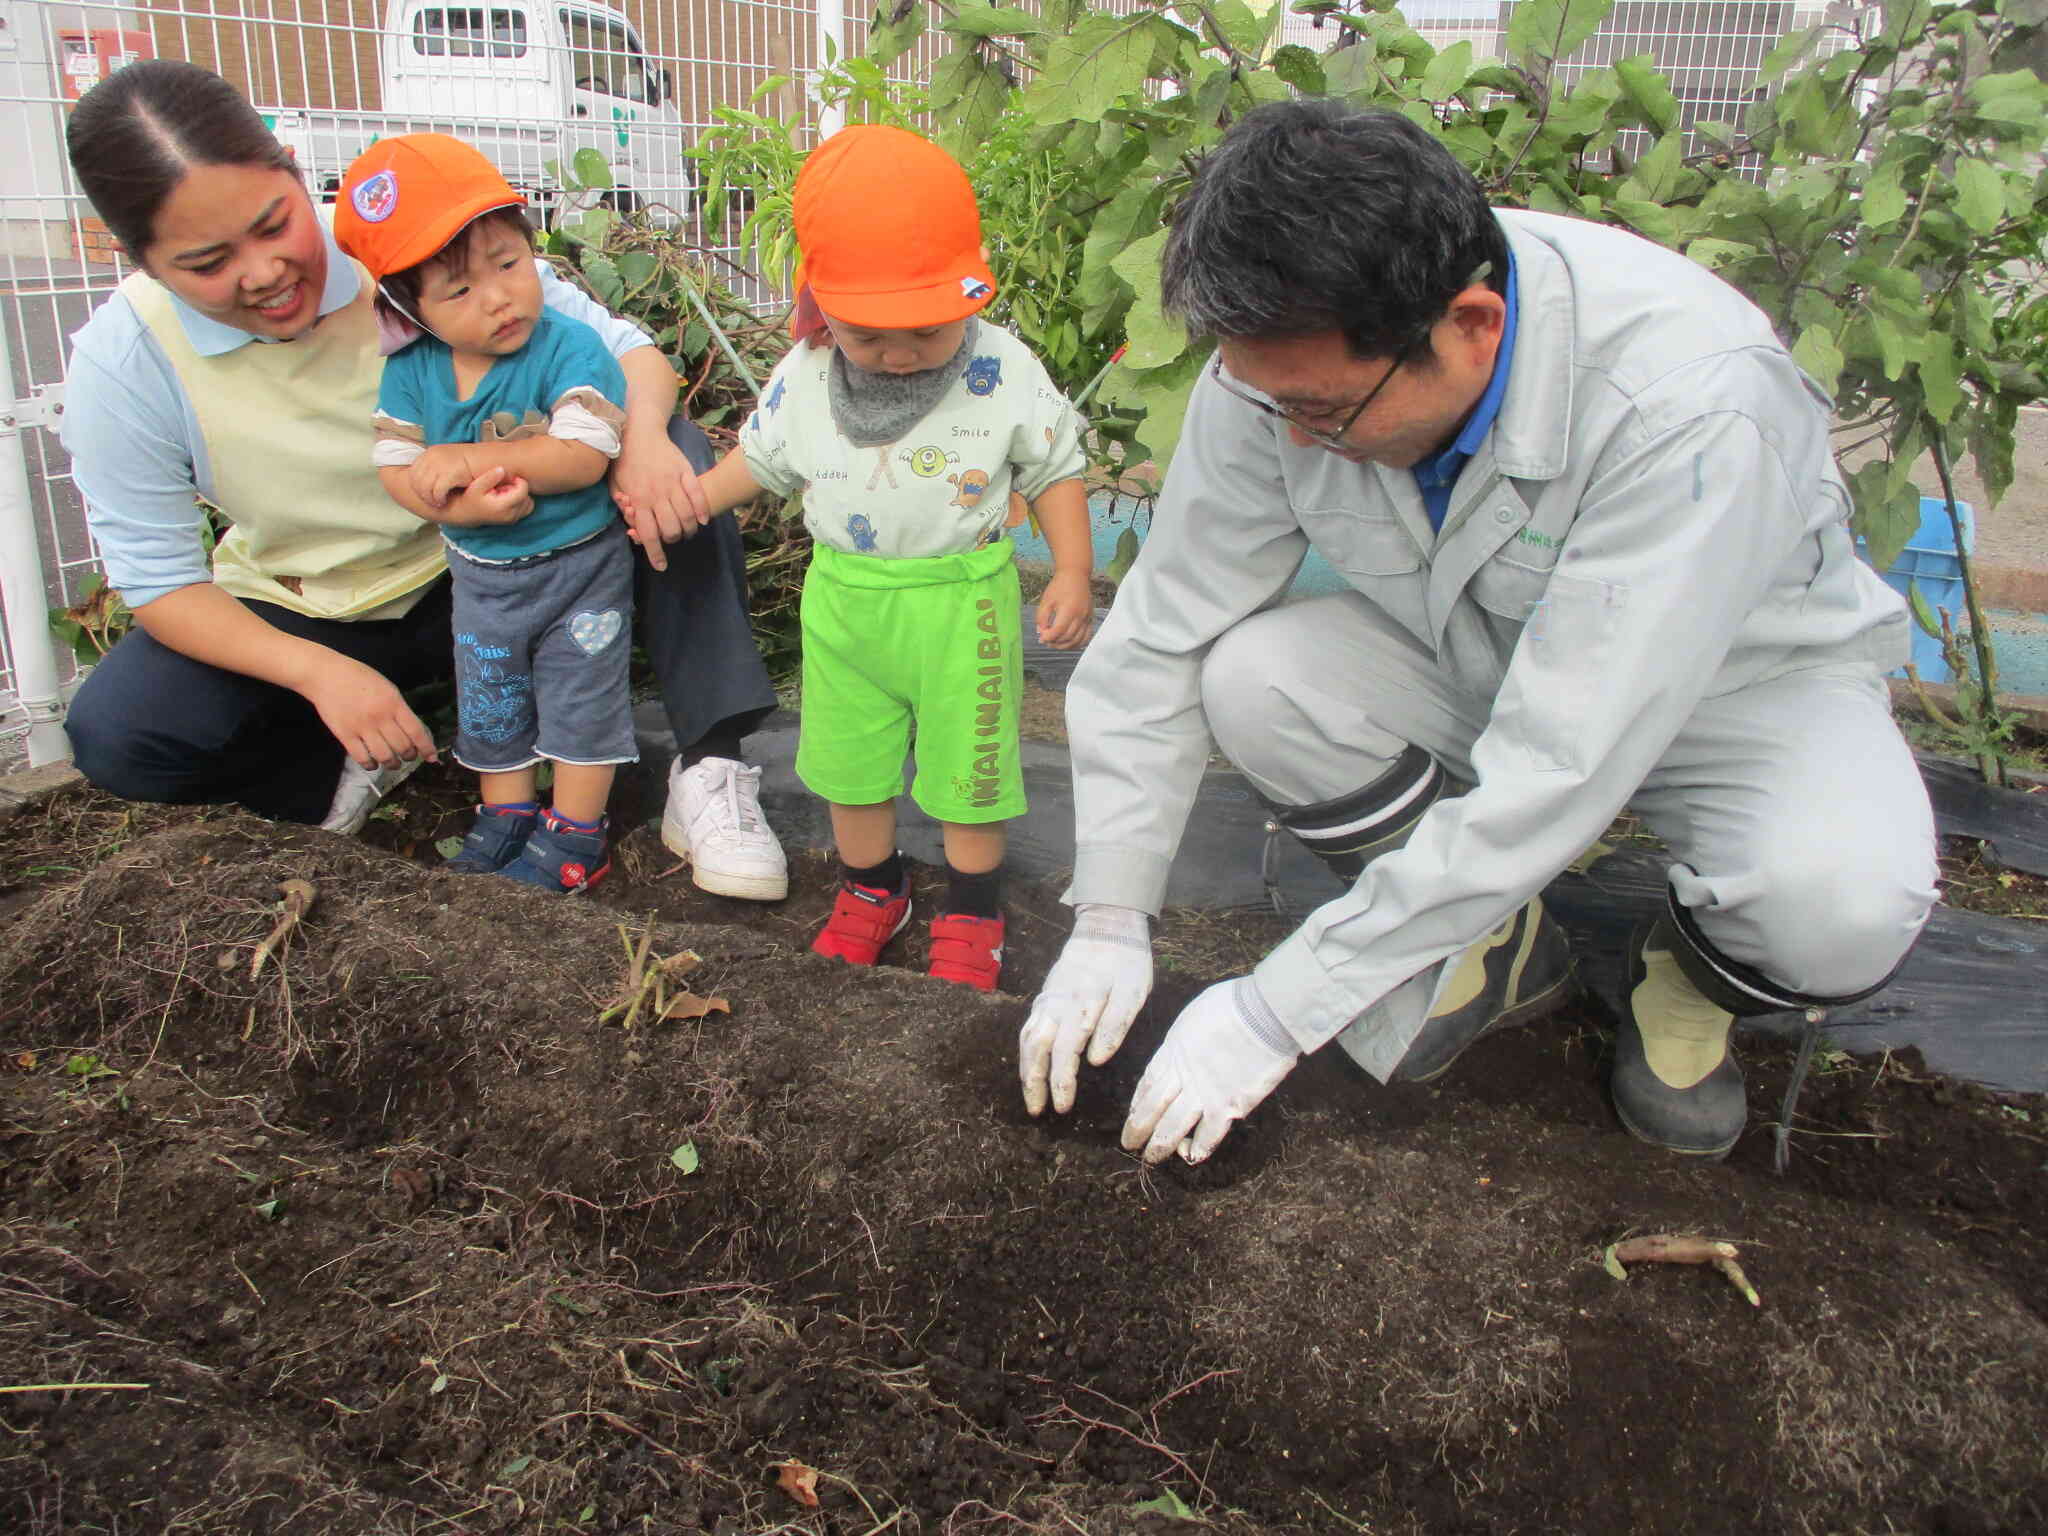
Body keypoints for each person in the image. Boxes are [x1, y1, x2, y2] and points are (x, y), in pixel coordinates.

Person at [1018, 100, 1938, 1163]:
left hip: (1733, 690)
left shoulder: (1688, 402)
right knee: (1254, 674)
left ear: (1470, 328)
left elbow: (1565, 756)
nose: (1295, 433)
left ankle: (1680, 991)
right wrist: (1110, 915)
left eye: (1322, 415)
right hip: (1477, 653)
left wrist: (1278, 1009)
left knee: (1841, 903)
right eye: (1273, 404)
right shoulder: (1288, 366)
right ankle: (1491, 943)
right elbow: (1163, 631)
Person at [56, 59, 787, 903]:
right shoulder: (126, 358)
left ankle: (710, 765)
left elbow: (624, 351)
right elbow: (160, 583)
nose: (262, 274)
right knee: (120, 737)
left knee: (680, 463)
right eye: (208, 261)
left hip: (500, 560)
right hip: (315, 605)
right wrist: (318, 673)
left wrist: (646, 438)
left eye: (272, 224)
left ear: (293, 170)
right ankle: (355, 755)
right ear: (139, 260)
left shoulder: (402, 239)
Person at [688, 125, 1093, 991]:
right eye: (871, 334)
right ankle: (875, 890)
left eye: (927, 328)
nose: (901, 353)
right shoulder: (804, 373)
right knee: (847, 766)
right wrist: (691, 500)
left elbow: (1056, 466)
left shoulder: (1004, 367)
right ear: (822, 302)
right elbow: (760, 462)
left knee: (971, 771)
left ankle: (974, 909)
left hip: (963, 606)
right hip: (845, 605)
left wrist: (1069, 569)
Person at [331, 133, 635, 890]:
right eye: (459, 290)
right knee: (493, 693)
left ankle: (577, 834)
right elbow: (397, 466)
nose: (499, 296)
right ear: (412, 311)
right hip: (483, 580)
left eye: (508, 264)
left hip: (579, 572)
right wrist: (450, 503)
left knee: (578, 697)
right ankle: (506, 814)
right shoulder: (412, 371)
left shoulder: (572, 348)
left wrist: (470, 462)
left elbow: (583, 454)